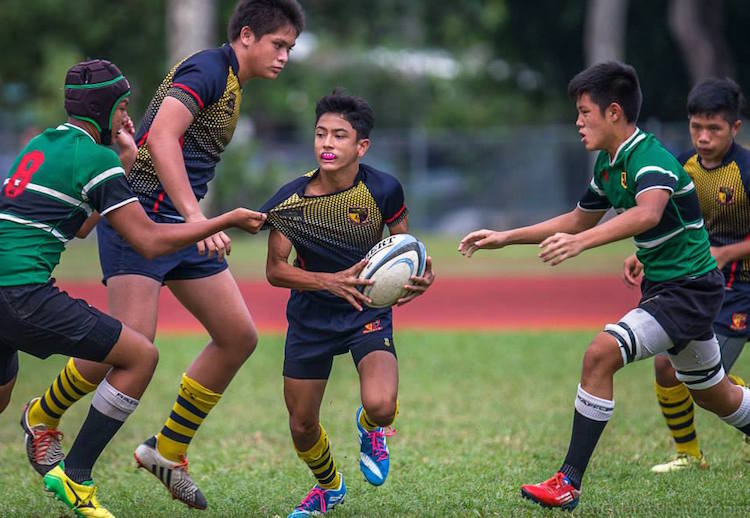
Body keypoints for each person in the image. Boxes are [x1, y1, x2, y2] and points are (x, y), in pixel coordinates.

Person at [21, 0, 304, 511]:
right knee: (131, 346)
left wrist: (193, 221)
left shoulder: (232, 81)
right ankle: (43, 415)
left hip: (183, 225)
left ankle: (165, 451)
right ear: (245, 35)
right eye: (278, 44)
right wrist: (197, 218)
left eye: (290, 48)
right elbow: (164, 138)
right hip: (144, 221)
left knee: (237, 336)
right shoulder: (208, 68)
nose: (284, 56)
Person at [459, 62, 750, 511]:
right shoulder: (610, 162)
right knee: (717, 395)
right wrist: (505, 237)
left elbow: (647, 213)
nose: (578, 122)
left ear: (613, 112)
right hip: (668, 287)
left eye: (583, 112)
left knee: (600, 354)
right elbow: (578, 217)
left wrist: (581, 243)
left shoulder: (648, 157)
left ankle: (567, 482)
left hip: (688, 290)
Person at [261, 92, 434, 517]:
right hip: (310, 318)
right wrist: (327, 281)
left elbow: (404, 248)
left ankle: (370, 427)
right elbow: (275, 270)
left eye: (340, 135)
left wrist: (422, 274)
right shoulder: (292, 200)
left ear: (362, 146)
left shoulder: (384, 189)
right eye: (321, 133)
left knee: (382, 405)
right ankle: (328, 488)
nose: (328, 143)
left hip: (366, 311)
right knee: (302, 426)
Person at [622, 78, 750, 473]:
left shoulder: (746, 171)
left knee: (711, 382)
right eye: (697, 127)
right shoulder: (680, 167)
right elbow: (668, 225)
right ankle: (689, 454)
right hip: (704, 286)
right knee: (669, 367)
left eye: (715, 128)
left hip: (743, 286)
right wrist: (643, 255)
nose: (704, 137)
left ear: (736, 128)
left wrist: (728, 252)